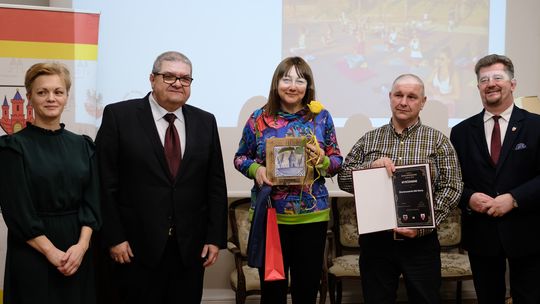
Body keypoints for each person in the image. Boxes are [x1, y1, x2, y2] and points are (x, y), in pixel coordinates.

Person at [95, 51, 228, 304]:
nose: (177, 83)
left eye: (185, 79)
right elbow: (104, 183)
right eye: (169, 76)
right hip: (134, 249)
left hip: (189, 249)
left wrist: (214, 238)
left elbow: (215, 184)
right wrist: (114, 237)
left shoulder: (205, 121)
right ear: (152, 79)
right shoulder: (119, 116)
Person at [338, 74, 463, 304]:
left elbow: (452, 186)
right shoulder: (369, 140)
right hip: (377, 242)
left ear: (423, 102)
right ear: (390, 97)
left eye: (412, 96)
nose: (403, 101)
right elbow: (343, 179)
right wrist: (369, 168)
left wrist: (423, 225)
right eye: (398, 95)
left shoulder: (438, 141)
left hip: (421, 243)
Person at [234, 56, 342, 304]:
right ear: (276, 83)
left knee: (306, 290)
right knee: (272, 293)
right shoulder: (258, 119)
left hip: (312, 216)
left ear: (308, 86)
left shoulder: (321, 117)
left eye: (300, 80)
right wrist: (256, 170)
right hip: (271, 216)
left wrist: (323, 161)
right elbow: (240, 157)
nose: (292, 86)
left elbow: (337, 161)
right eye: (286, 79)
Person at [0, 62, 101, 304]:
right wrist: (51, 252)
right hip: (32, 251)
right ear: (29, 98)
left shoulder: (83, 145)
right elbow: (17, 211)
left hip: (78, 250)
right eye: (42, 92)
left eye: (58, 92)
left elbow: (93, 201)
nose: (51, 98)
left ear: (67, 96)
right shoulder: (12, 147)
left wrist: (82, 246)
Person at [450, 54, 540, 304]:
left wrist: (514, 198)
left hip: (529, 233)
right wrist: (469, 198)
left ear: (512, 84)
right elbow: (453, 181)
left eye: (498, 77)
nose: (491, 83)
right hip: (482, 234)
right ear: (478, 87)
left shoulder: (536, 126)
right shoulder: (461, 132)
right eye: (484, 79)